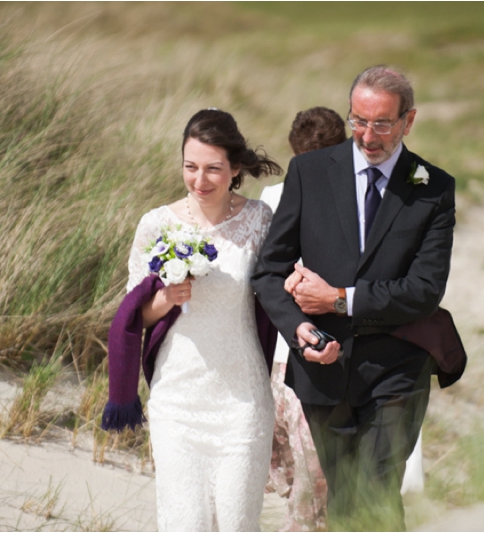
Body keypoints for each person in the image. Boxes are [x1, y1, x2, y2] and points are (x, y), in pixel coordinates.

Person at [251, 66, 462, 530]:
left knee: (376, 489)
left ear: (408, 121)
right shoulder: (308, 172)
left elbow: (424, 291)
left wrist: (339, 299)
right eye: (358, 121)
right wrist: (301, 328)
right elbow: (269, 272)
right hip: (322, 367)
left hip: (398, 367)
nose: (367, 136)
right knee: (345, 498)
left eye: (382, 124)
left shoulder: (435, 188)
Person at [102, 108, 283, 531]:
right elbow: (136, 314)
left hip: (243, 401)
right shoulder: (156, 224)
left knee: (238, 523)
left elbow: (278, 291)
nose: (200, 181)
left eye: (213, 169)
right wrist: (165, 298)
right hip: (177, 401)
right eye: (191, 167)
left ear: (236, 168)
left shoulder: (259, 221)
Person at [261, 106, 346, 532]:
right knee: (311, 475)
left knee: (305, 474)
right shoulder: (276, 198)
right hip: (296, 353)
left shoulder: (275, 196)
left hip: (289, 353)